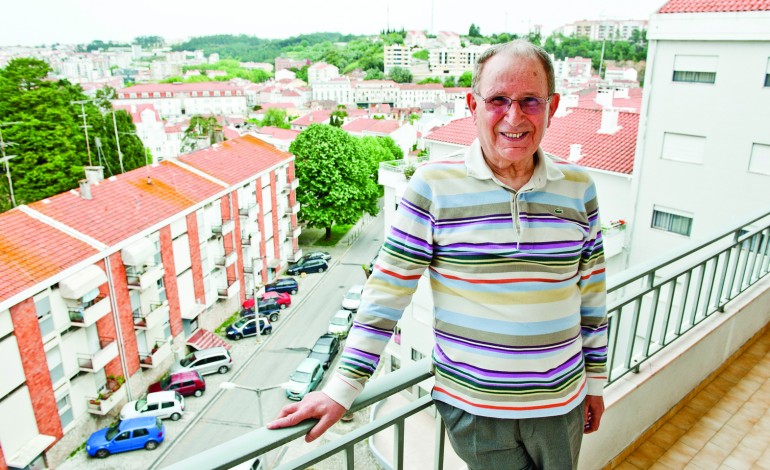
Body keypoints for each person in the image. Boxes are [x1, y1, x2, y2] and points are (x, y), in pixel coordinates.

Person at [268, 39, 608, 469]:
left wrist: (595, 382)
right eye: (498, 100)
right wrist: (341, 390)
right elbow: (387, 293)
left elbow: (592, 294)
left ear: (552, 105)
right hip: (476, 410)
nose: (514, 116)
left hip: (562, 403)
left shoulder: (579, 187)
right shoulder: (433, 186)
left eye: (530, 101)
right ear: (472, 104)